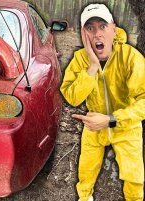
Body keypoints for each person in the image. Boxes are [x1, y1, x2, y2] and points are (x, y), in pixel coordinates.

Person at [60, 3, 145, 201]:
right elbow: (71, 96)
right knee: (86, 173)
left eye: (102, 26)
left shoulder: (130, 57)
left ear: (114, 29)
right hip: (94, 126)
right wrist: (91, 67)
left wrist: (111, 120)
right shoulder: (80, 59)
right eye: (90, 28)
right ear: (84, 34)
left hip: (126, 126)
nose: (97, 34)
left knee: (134, 180)